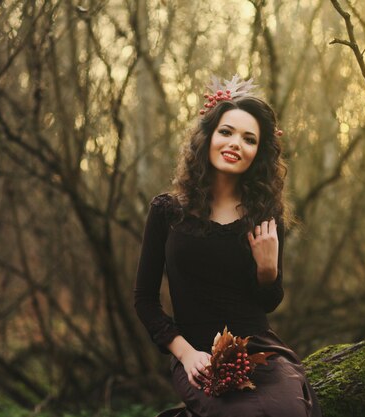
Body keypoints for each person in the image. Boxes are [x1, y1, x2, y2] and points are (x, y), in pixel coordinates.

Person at [134, 76, 321, 417]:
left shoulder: (264, 215)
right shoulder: (167, 211)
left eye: (249, 139)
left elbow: (269, 301)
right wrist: (186, 354)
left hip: (259, 352)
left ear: (257, 153)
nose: (236, 143)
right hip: (199, 356)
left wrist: (268, 271)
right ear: (208, 138)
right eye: (227, 132)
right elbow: (144, 300)